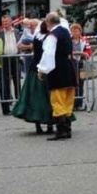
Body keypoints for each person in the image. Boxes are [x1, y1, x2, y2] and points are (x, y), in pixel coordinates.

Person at [37, 12, 77, 140]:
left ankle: (61, 130)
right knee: (68, 99)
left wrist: (42, 70)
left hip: (57, 68)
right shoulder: (65, 31)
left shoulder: (52, 36)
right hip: (69, 66)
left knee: (57, 100)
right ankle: (67, 128)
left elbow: (48, 54)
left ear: (48, 22)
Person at [12, 21, 56, 135]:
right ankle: (50, 124)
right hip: (45, 69)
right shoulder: (49, 38)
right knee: (47, 97)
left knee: (34, 97)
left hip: (34, 69)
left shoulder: (37, 37)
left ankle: (38, 126)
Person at [0, 15, 22, 112]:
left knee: (17, 80)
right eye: (3, 22)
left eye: (6, 22)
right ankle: (8, 100)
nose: (5, 24)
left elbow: (20, 42)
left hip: (15, 58)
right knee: (6, 80)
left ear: (11, 22)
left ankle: (19, 100)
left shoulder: (16, 32)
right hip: (4, 59)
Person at [70, 23, 92, 110]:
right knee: (73, 82)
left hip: (81, 62)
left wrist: (86, 54)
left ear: (80, 31)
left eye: (77, 31)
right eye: (73, 31)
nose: (75, 32)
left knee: (80, 82)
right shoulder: (69, 40)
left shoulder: (84, 40)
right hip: (71, 62)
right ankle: (72, 103)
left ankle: (79, 103)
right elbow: (67, 50)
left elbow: (88, 50)